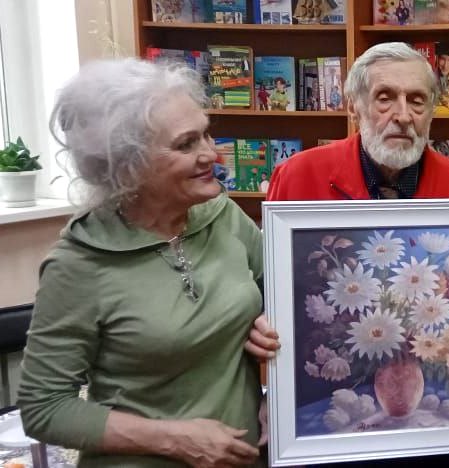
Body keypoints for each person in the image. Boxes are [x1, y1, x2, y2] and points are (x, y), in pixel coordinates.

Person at [17, 58, 267, 467]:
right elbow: (44, 407)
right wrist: (177, 440)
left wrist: (268, 332)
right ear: (127, 164)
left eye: (206, 134)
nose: (212, 154)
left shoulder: (223, 216)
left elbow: (285, 293)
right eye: (186, 144)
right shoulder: (77, 265)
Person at [252, 41, 449, 468]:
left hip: (422, 438)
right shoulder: (298, 177)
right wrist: (262, 321)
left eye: (417, 100)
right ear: (353, 107)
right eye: (385, 98)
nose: (402, 115)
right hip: (320, 424)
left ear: (431, 112)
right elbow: (270, 289)